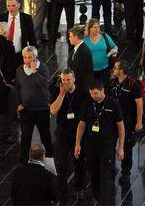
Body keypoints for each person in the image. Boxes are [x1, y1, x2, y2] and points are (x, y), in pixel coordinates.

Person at [75, 80, 125, 205]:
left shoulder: (113, 104)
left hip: (107, 146)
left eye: (96, 93)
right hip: (91, 146)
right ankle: (98, 198)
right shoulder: (88, 103)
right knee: (94, 174)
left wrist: (121, 147)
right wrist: (77, 144)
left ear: (102, 90)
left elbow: (121, 127)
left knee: (106, 175)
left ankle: (107, 202)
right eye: (91, 93)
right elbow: (81, 124)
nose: (93, 96)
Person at [49, 69, 87, 199]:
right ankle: (62, 189)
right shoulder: (57, 91)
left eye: (68, 80)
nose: (65, 83)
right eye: (63, 80)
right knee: (60, 162)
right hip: (62, 132)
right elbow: (53, 110)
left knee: (79, 161)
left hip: (78, 132)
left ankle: (80, 188)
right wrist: (62, 94)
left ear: (74, 79)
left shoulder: (82, 92)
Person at [15, 46, 53, 164]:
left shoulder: (43, 68)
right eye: (25, 57)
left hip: (41, 108)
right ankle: (23, 159)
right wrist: (19, 103)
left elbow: (43, 84)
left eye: (29, 57)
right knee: (25, 136)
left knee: (45, 134)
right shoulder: (20, 70)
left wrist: (34, 71)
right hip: (26, 109)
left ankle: (49, 157)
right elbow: (17, 87)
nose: (27, 60)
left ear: (35, 57)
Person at [109, 60, 143, 184]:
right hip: (113, 120)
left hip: (127, 120)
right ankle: (111, 169)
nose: (113, 69)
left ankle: (126, 172)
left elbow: (139, 104)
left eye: (115, 68)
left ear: (122, 70)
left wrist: (139, 121)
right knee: (110, 144)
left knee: (127, 147)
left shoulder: (132, 84)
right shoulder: (112, 83)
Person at [83, 18, 117, 87]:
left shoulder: (105, 36)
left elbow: (115, 47)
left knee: (105, 89)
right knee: (92, 90)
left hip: (105, 69)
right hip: (90, 71)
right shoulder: (85, 40)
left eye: (98, 27)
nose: (97, 29)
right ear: (89, 28)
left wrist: (112, 52)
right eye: (94, 27)